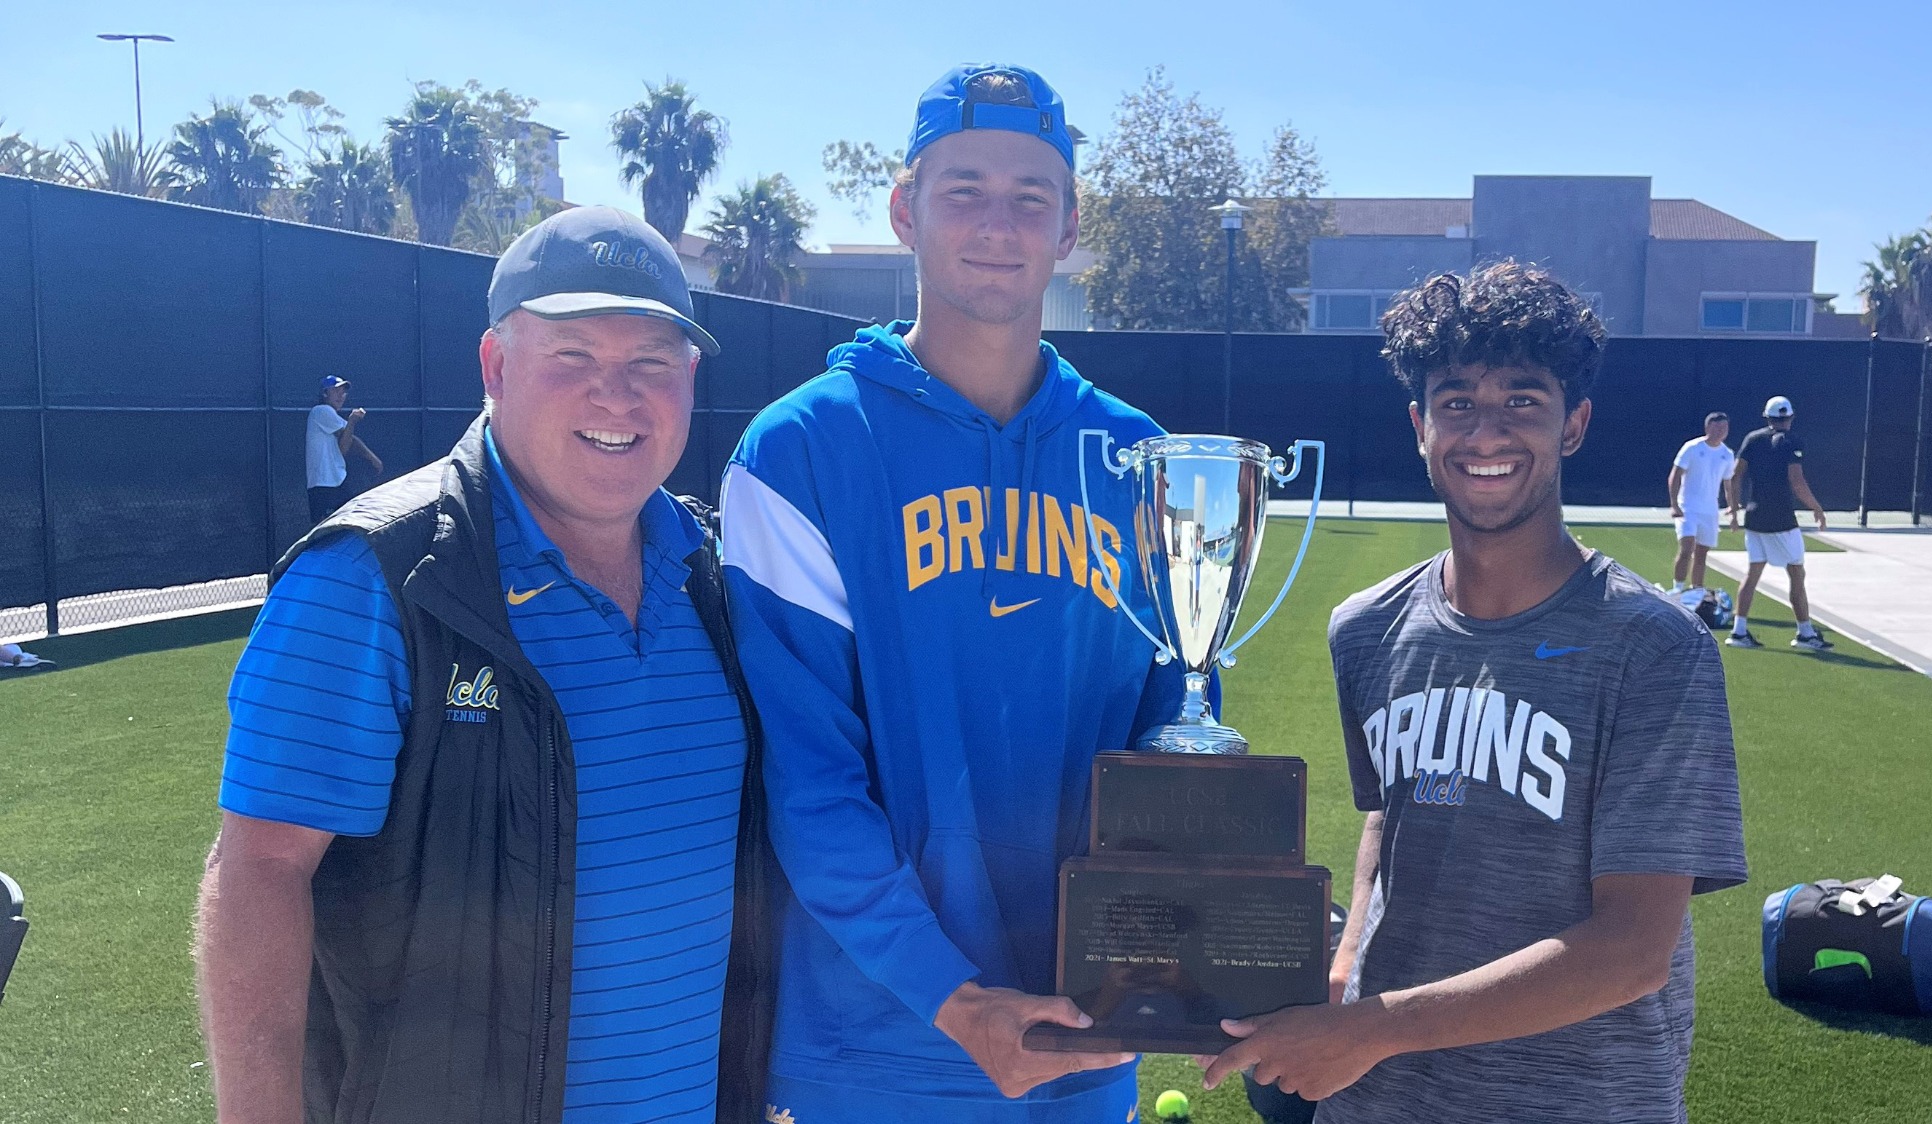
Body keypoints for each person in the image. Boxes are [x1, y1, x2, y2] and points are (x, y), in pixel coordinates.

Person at [197, 206, 772, 1124]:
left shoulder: (714, 572)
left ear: (690, 379)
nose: (616, 397)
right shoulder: (374, 574)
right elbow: (260, 871)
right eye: (573, 358)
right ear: (497, 368)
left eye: (650, 364)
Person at [720, 64, 1197, 1123]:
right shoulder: (799, 449)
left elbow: (1175, 730)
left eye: (1031, 196)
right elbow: (811, 779)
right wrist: (954, 997)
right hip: (876, 1041)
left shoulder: (1135, 458)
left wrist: (1208, 936)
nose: (998, 223)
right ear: (904, 211)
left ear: (1068, 226)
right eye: (963, 189)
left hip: (1086, 1026)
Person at [1200, 262, 1748, 1124]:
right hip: (1380, 1099)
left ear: (1575, 424)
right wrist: (1347, 967)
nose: (1486, 434)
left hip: (1581, 1098)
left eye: (1523, 402)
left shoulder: (1653, 647)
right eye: (1457, 402)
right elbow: (1390, 812)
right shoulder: (1366, 627)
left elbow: (1634, 949)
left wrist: (1369, 1030)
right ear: (1420, 426)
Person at [1724, 396, 1831, 650]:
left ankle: (1738, 632)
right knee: (1796, 572)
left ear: (1767, 418)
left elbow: (1734, 476)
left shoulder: (1752, 439)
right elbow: (1797, 482)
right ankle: (1805, 633)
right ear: (1790, 418)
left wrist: (1735, 509)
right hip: (1781, 519)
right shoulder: (1792, 442)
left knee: (1752, 574)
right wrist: (1817, 508)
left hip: (1755, 516)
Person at [1667, 412, 1733, 593]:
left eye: (1724, 428)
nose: (1721, 431)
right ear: (1708, 427)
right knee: (1687, 548)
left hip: (1710, 512)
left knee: (1702, 553)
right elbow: (1676, 475)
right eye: (1718, 427)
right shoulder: (1692, 448)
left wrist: (1732, 508)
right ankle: (1677, 588)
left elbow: (1728, 483)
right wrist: (1674, 504)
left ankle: (1697, 590)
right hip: (1687, 508)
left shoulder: (1727, 454)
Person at [305, 375, 381, 523]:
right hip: (323, 485)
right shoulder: (321, 411)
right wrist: (352, 421)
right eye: (336, 391)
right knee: (325, 533)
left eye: (343, 392)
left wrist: (372, 458)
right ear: (325, 393)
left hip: (337, 482)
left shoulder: (330, 414)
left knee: (347, 526)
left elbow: (351, 439)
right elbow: (344, 448)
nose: (341, 395)